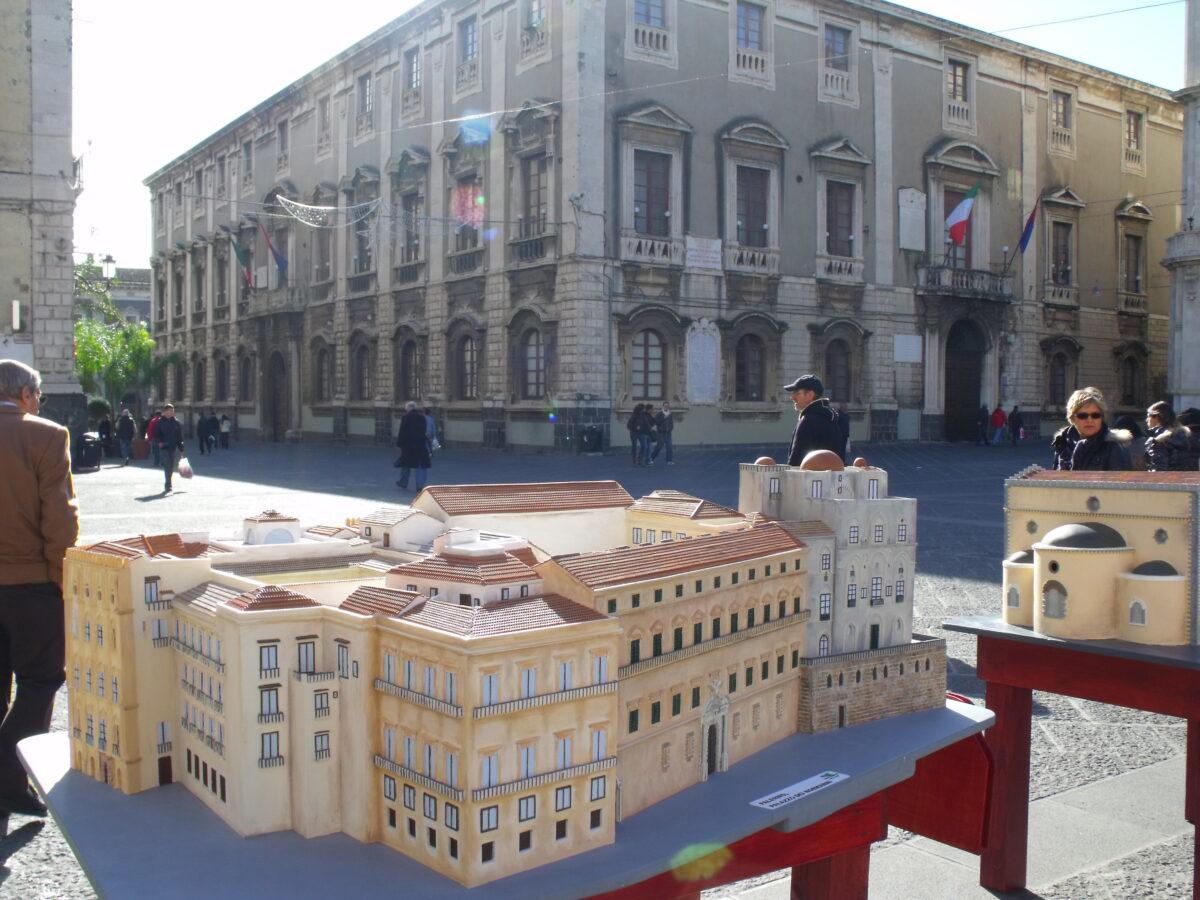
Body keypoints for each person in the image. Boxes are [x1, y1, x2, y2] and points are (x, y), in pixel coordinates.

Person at [0, 359, 79, 816]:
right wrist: (60, 577)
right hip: (30, 585)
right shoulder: (46, 436)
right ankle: (8, 773)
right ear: (27, 395)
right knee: (41, 680)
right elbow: (60, 518)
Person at [1050, 387, 1132, 471]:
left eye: (1095, 415)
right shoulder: (1062, 443)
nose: (1089, 420)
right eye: (1082, 416)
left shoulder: (1114, 447)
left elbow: (1122, 482)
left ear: (1102, 418)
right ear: (1072, 418)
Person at [784, 375, 843, 466]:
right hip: (831, 478)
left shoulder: (807, 421)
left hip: (808, 479)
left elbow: (796, 463)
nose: (792, 397)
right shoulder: (832, 420)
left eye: (797, 393)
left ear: (810, 395)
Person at [1144, 401, 1194, 471]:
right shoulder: (1184, 436)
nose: (1147, 420)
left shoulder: (1159, 440)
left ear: (1158, 417)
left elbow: (1159, 467)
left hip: (1165, 480)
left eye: (1149, 416)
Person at [395, 401, 432, 491]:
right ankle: (419, 485)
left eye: (406, 409)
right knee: (420, 464)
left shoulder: (406, 417)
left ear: (408, 409)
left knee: (405, 464)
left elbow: (402, 432)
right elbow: (424, 430)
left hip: (408, 444)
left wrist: (399, 444)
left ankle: (403, 482)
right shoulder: (422, 417)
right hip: (420, 443)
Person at [153, 403, 185, 492]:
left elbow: (179, 437)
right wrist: (159, 442)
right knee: (167, 465)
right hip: (164, 446)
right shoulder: (160, 422)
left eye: (173, 411)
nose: (172, 412)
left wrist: (181, 449)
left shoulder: (176, 422)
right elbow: (156, 434)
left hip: (172, 447)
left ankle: (168, 482)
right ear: (165, 412)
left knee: (171, 466)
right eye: (170, 411)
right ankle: (168, 484)